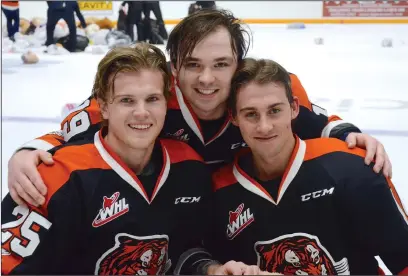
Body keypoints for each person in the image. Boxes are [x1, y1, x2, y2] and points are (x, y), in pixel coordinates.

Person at [7, 9, 391, 208]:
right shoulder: (153, 95)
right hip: (167, 216)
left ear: (238, 65)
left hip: (240, 212)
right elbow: (77, 125)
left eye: (221, 65)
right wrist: (28, 151)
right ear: (174, 68)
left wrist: (349, 134)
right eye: (193, 65)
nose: (206, 79)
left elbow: (316, 121)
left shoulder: (257, 95)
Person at [2, 43, 231, 275]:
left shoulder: (190, 168)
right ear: (103, 108)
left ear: (166, 103)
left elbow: (186, 251)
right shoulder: (57, 177)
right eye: (126, 101)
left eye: (152, 99)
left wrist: (210, 270)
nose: (141, 112)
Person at [200, 58, 408, 275]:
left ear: (294, 108)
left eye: (274, 111)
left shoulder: (351, 167)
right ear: (234, 117)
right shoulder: (219, 191)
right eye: (251, 114)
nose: (264, 126)